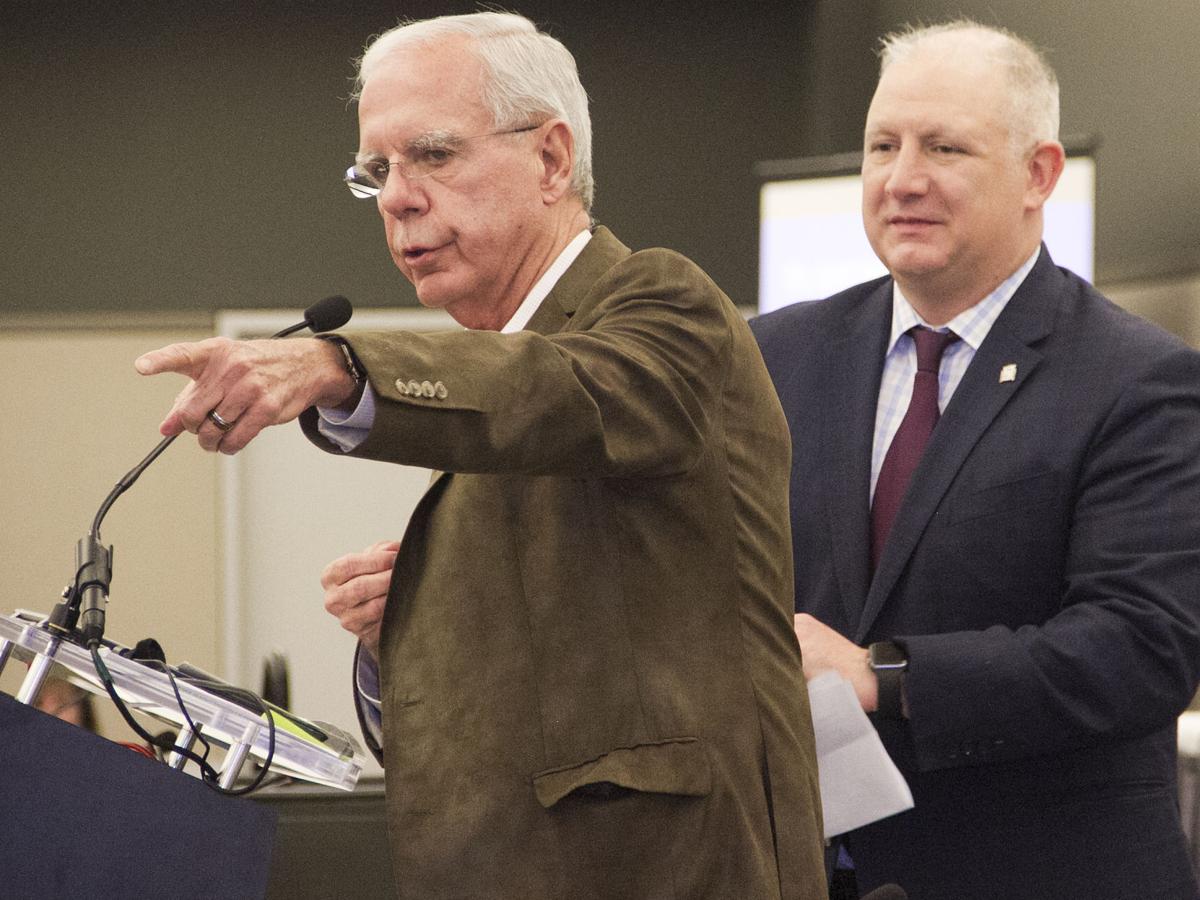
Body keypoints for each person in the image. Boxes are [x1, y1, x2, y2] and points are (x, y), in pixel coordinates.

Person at [135, 11, 826, 899]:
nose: (396, 197)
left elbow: (564, 393)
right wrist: (404, 635)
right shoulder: (493, 375)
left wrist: (335, 364)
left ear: (549, 158)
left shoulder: (659, 303)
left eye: (432, 155)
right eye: (375, 172)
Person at [751, 20, 1200, 900]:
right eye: (883, 145)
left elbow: (1142, 650)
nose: (902, 178)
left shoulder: (1140, 380)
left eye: (945, 147)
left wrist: (885, 674)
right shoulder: (774, 357)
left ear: (1038, 174)